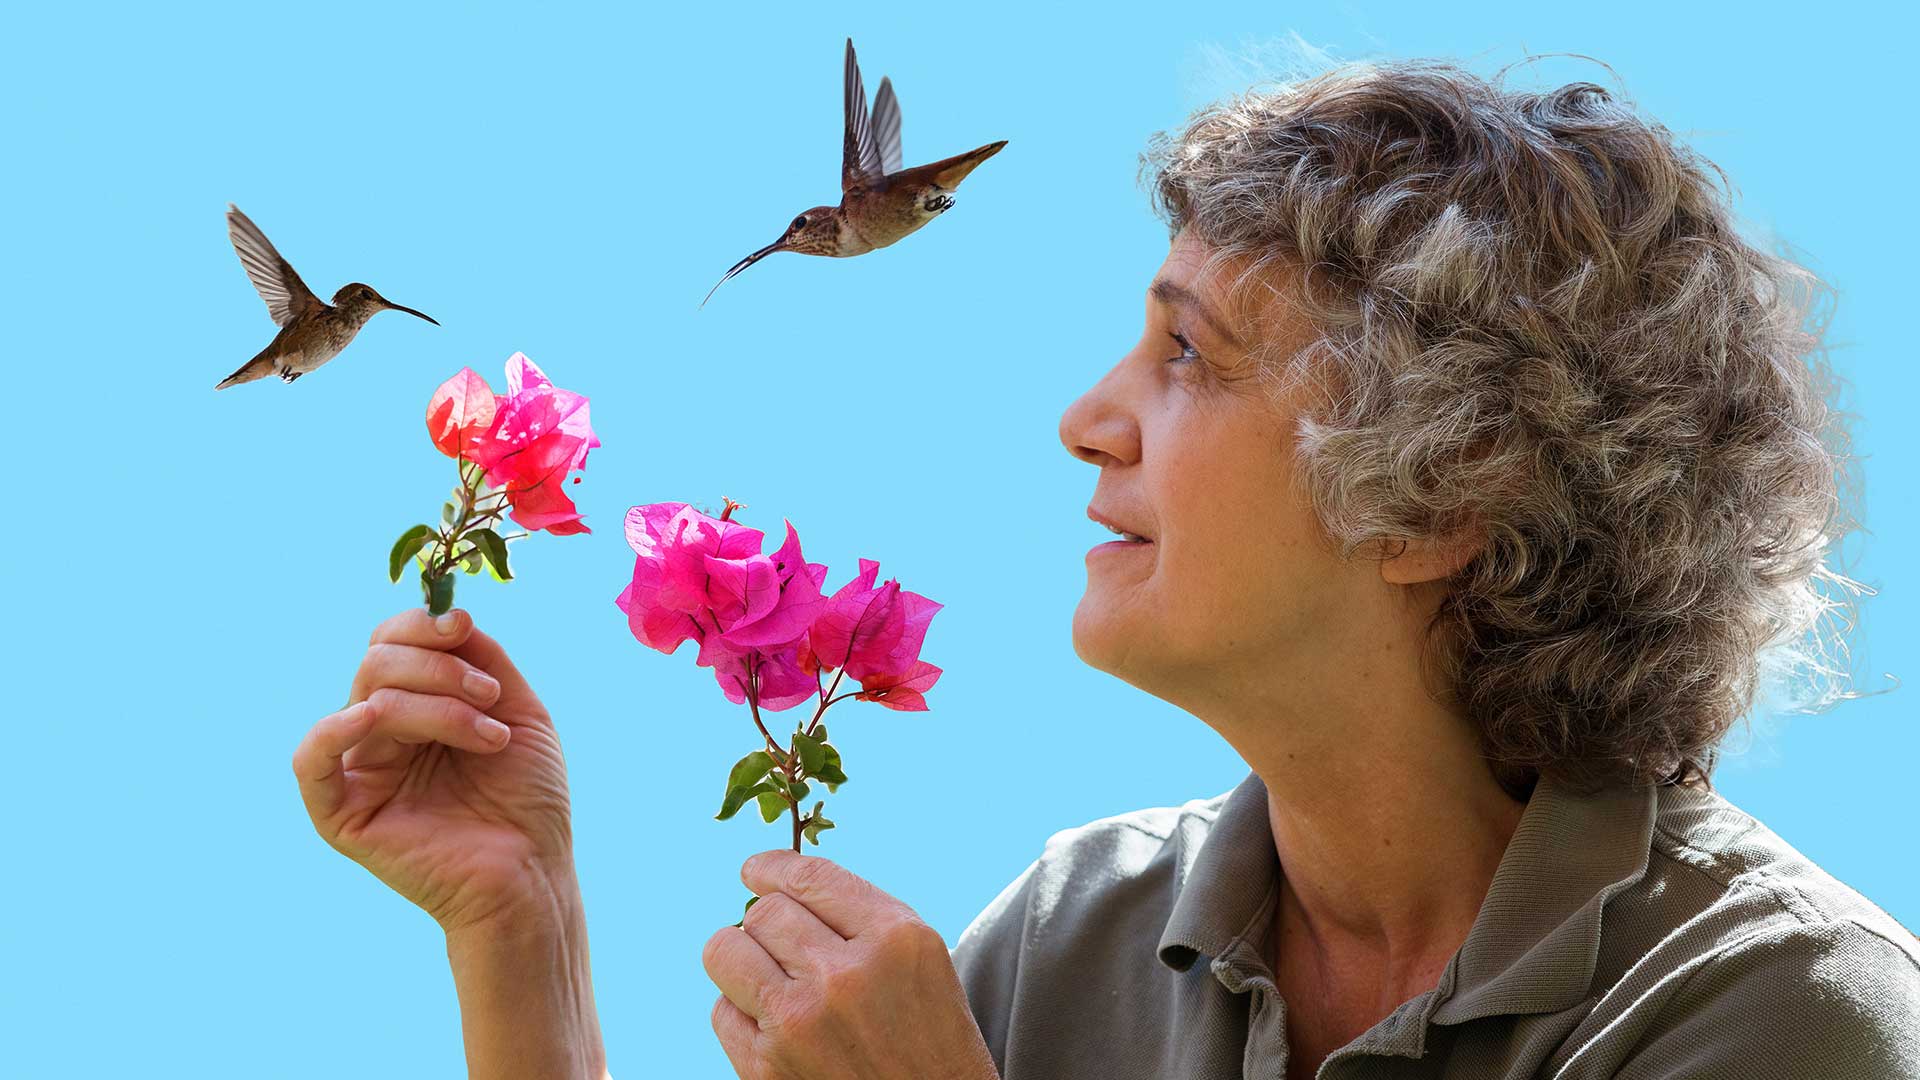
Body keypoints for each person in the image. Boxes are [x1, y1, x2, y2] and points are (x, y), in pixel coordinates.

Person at [293, 58, 1920, 1079]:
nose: (1087, 421)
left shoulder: (1779, 1021)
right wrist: (526, 939)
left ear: (1444, 497)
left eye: (1191, 357)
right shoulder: (1083, 938)